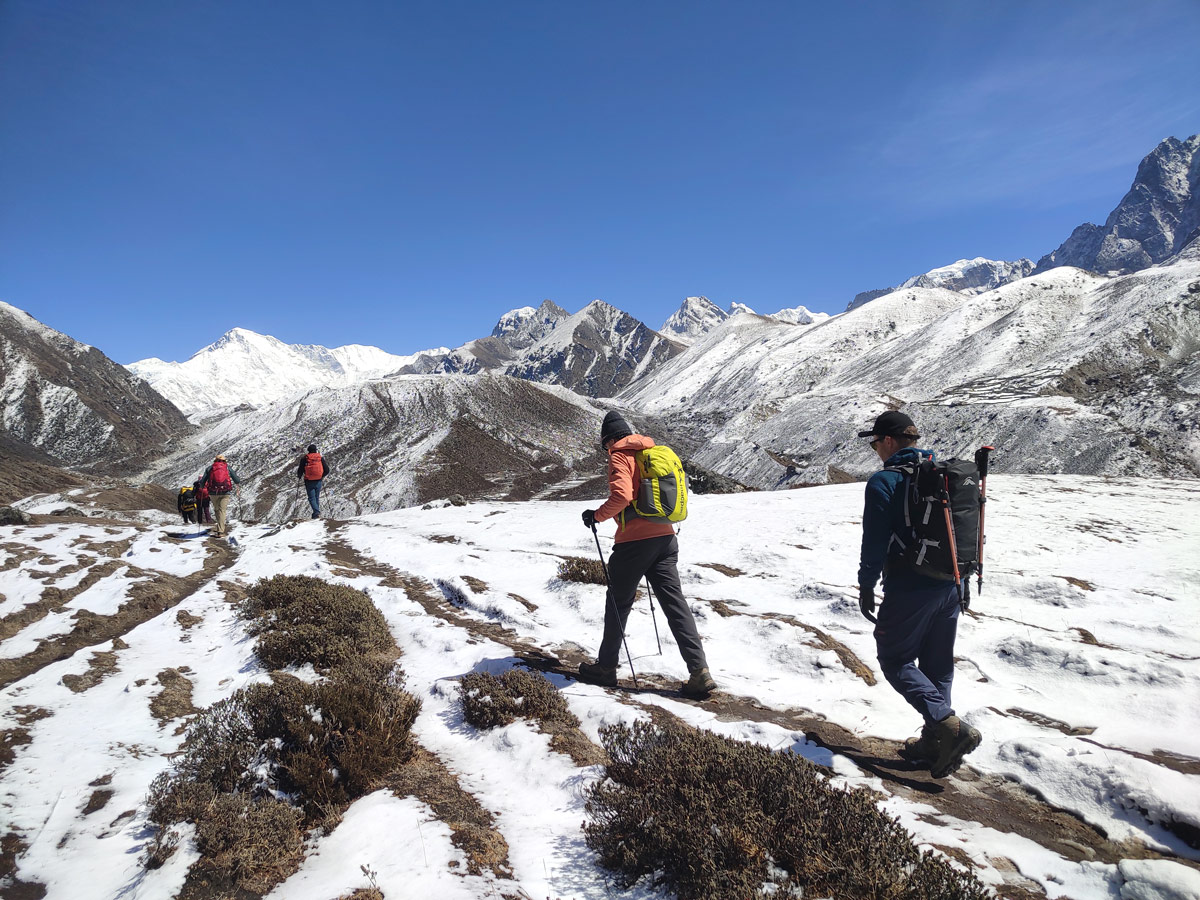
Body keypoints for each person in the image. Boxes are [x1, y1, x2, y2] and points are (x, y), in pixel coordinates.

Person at [857, 410, 981, 778]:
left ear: (890, 441)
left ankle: (947, 725)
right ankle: (934, 743)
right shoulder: (940, 476)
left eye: (876, 442)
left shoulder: (885, 481)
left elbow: (874, 542)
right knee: (937, 665)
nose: (875, 448)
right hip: (953, 582)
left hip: (912, 585)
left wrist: (866, 584)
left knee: (894, 659)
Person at [578, 411, 717, 698]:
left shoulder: (620, 455)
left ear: (608, 440)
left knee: (618, 603)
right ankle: (699, 672)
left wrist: (597, 516)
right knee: (676, 604)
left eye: (605, 444)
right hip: (666, 538)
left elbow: (622, 497)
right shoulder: (651, 452)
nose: (606, 450)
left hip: (634, 544)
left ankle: (606, 668)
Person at [200, 454, 241, 538]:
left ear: (215, 460)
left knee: (216, 509)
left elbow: (202, 481)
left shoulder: (210, 468)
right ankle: (221, 531)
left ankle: (219, 526)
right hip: (225, 493)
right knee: (222, 511)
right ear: (224, 461)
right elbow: (237, 480)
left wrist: (202, 487)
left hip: (212, 492)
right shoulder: (227, 468)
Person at [296, 444, 329, 519]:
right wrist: (321, 475)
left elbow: (300, 469)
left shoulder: (305, 458)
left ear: (308, 451)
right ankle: (315, 515)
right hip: (318, 480)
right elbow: (327, 470)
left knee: (311, 498)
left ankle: (316, 512)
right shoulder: (320, 458)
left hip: (309, 480)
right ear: (316, 450)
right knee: (316, 497)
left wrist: (299, 476)